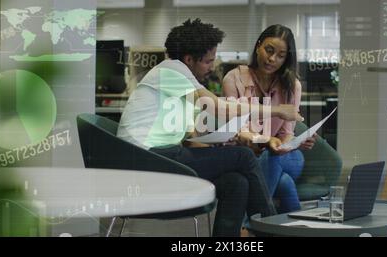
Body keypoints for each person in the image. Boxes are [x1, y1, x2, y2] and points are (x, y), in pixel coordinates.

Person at [117, 19, 303, 236]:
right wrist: (277, 110)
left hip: (160, 157)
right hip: (144, 160)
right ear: (189, 59)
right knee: (243, 157)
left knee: (236, 182)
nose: (212, 67)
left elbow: (192, 137)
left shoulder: (182, 83)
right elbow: (218, 107)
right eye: (208, 61)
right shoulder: (171, 70)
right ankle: (269, 230)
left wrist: (225, 146)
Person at [223, 24, 317, 213]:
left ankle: (249, 224)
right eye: (269, 50)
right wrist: (267, 140)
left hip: (286, 156)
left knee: (273, 156)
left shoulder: (292, 86)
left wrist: (295, 142)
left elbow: (287, 133)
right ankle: (290, 230)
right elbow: (238, 130)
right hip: (246, 155)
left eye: (280, 55)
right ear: (258, 46)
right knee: (285, 183)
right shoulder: (233, 79)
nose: (272, 59)